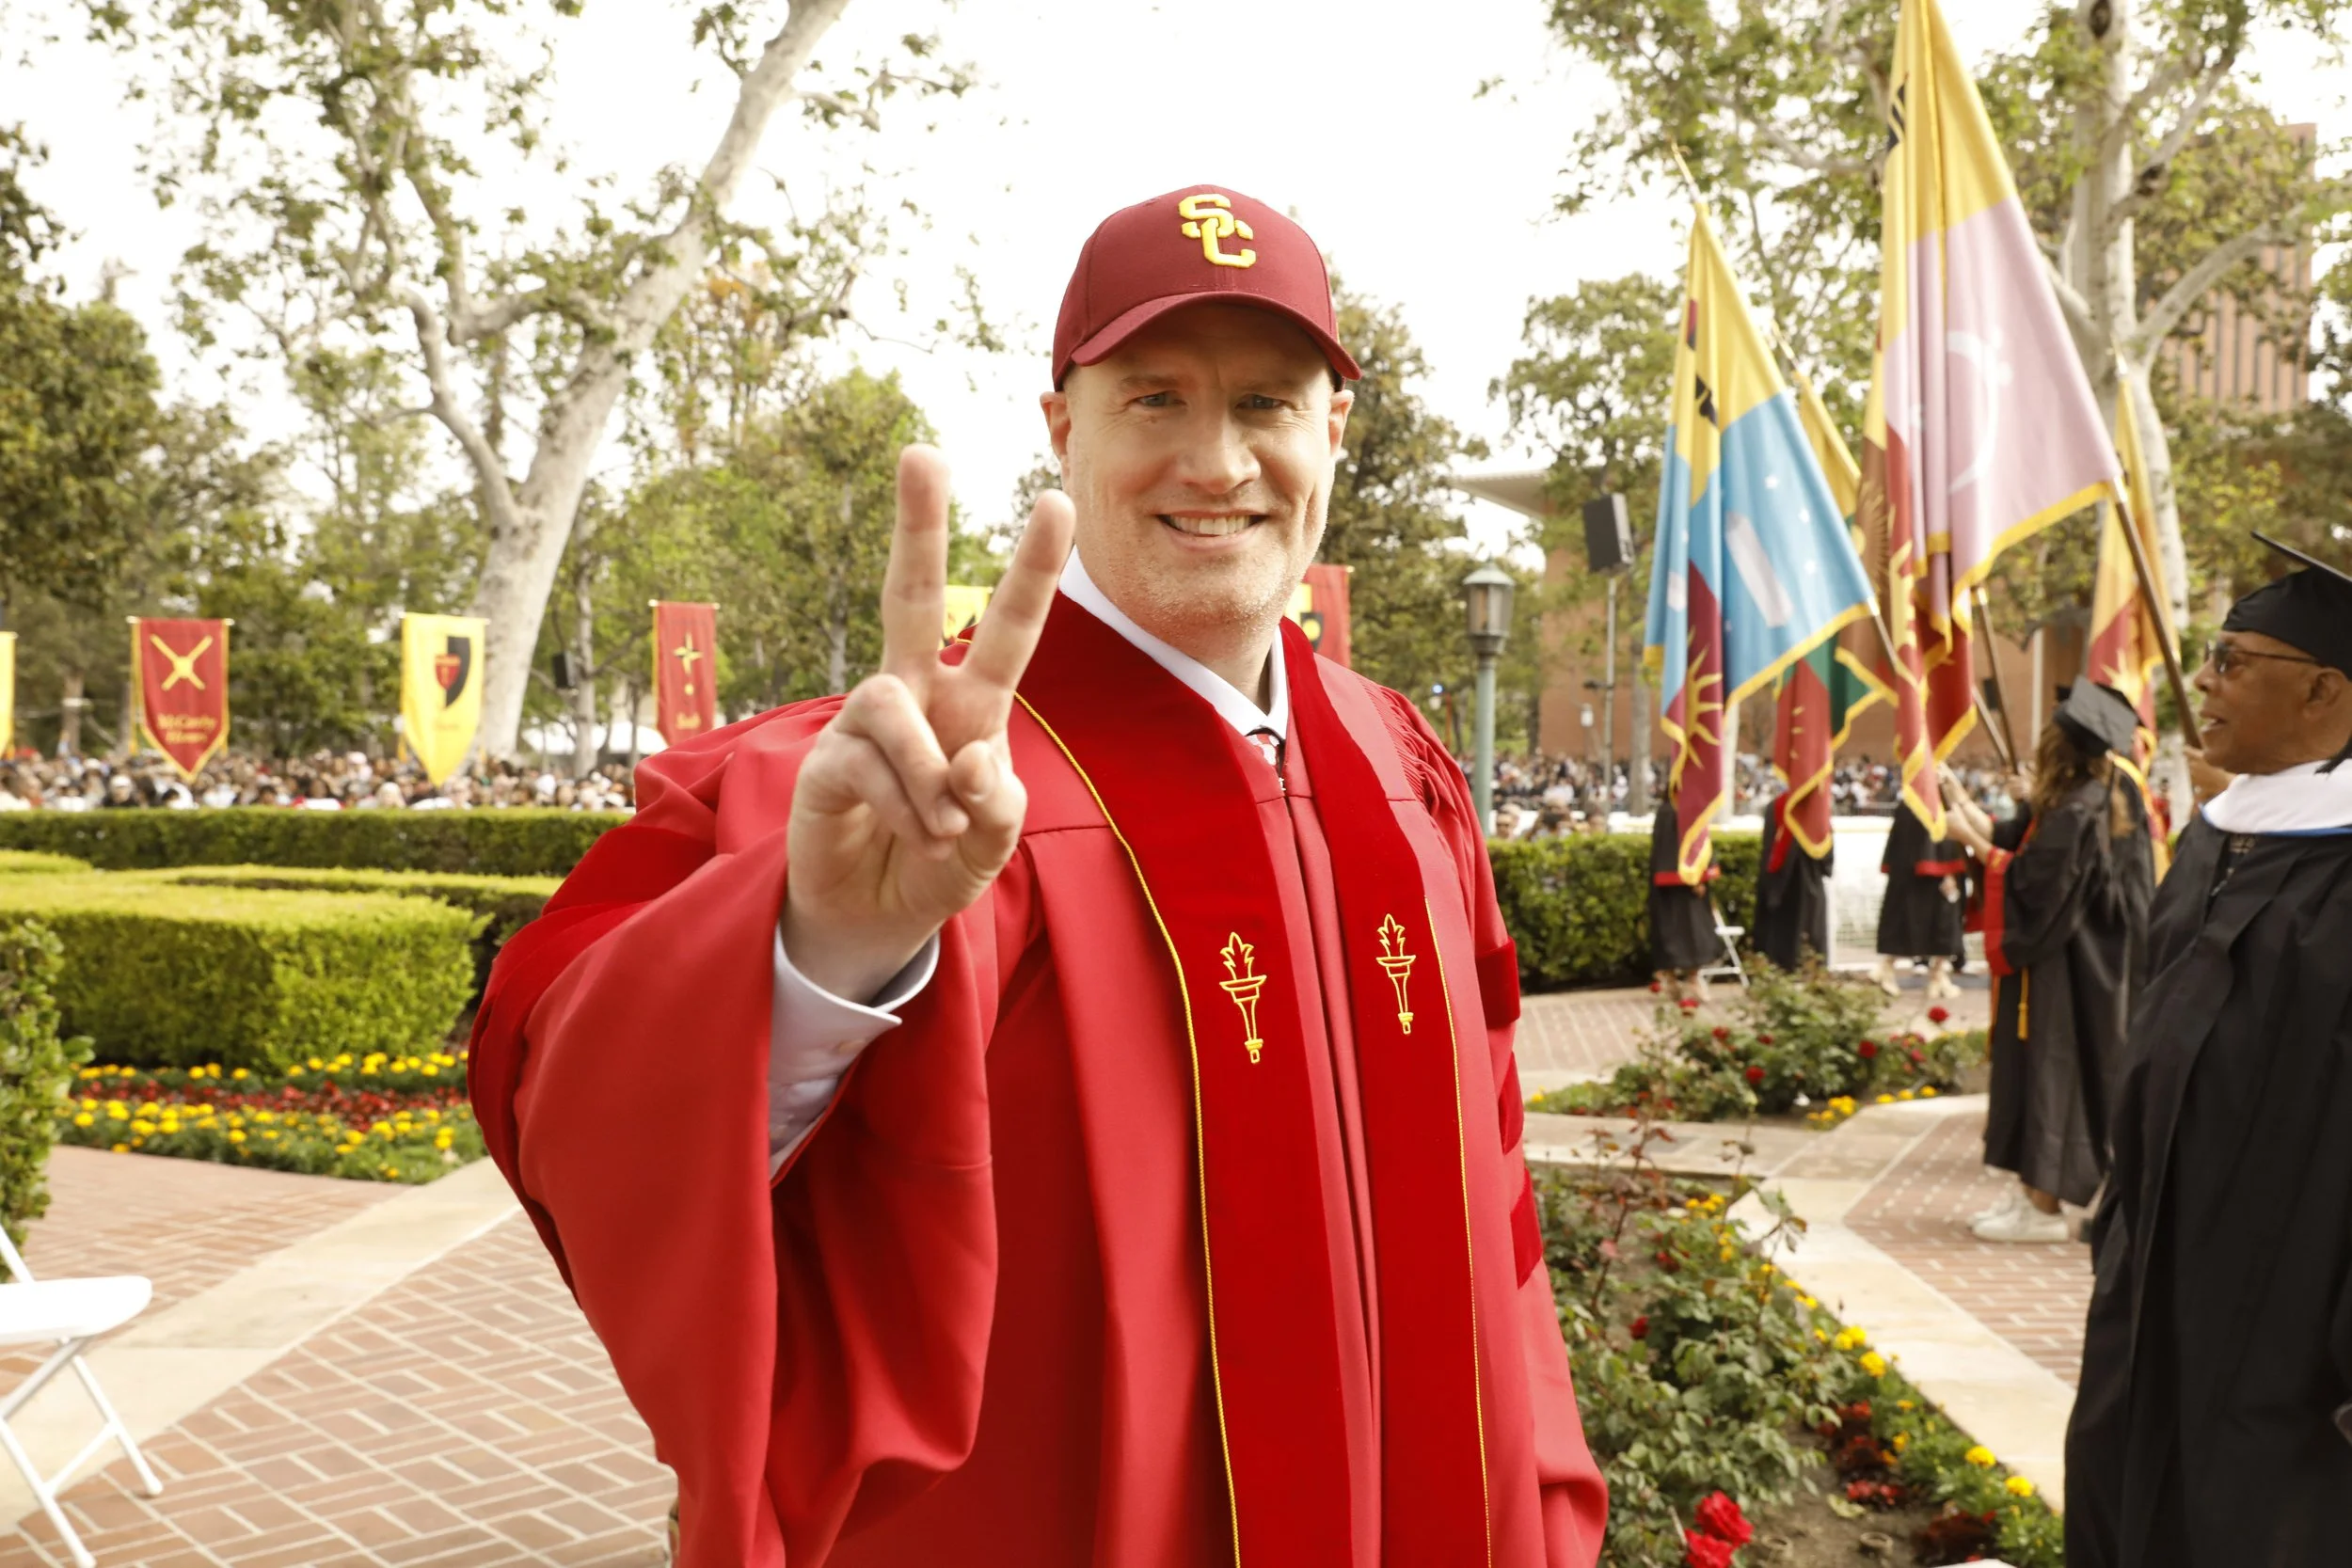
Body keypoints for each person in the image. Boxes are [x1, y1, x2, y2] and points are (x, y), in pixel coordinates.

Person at [471, 185, 1607, 1568]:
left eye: (1266, 402)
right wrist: (824, 948)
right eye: (1154, 399)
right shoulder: (902, 785)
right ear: (1063, 426)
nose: (1216, 458)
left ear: (1332, 435)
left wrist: (1541, 1486)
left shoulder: (1400, 768)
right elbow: (577, 1103)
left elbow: (1495, 1192)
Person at [2065, 534, 2352, 1567]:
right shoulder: (2219, 834)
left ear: (2322, 688)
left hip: (2291, 1312)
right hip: (2153, 1272)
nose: (2202, 682)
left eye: (2233, 661)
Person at [1937, 682, 2148, 1243]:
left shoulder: (2080, 808)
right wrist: (1966, 807)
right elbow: (2022, 842)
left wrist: (1974, 844)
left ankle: (2044, 1206)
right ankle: (2031, 1191)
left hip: (2067, 968)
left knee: (2054, 1073)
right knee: (2039, 1071)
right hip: (2076, 962)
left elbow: (2036, 883)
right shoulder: (2095, 794)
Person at [1872, 796, 1965, 998]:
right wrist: (1948, 870)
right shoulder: (1933, 800)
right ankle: (1931, 975)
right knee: (1942, 923)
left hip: (1908, 872)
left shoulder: (1909, 801)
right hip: (1933, 875)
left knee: (1917, 923)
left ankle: (1933, 975)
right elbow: (1944, 837)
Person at [1647, 797, 1721, 1001]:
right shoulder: (1674, 810)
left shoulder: (1675, 809)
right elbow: (1674, 847)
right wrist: (1695, 878)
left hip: (1679, 883)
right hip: (1681, 884)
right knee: (1682, 931)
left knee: (1687, 931)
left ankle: (1684, 980)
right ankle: (1682, 980)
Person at [1752, 788, 1831, 971]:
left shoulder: (1775, 806)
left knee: (1780, 937)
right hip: (1807, 880)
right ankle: (1806, 968)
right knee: (1806, 933)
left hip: (1777, 881)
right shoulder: (1814, 808)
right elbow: (1825, 853)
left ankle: (1777, 967)